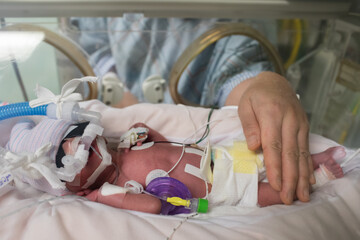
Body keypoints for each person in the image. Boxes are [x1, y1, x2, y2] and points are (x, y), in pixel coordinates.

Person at [69, 17, 312, 205]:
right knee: (249, 191)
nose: (84, 149)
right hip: (203, 185)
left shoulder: (217, 29)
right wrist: (117, 89)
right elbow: (93, 45)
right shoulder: (114, 184)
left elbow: (235, 69)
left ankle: (317, 172)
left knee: (262, 174)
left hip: (211, 147)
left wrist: (263, 84)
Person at [5, 112, 344, 214]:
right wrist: (99, 197)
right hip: (221, 188)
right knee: (269, 191)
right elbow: (153, 206)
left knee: (267, 156)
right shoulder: (110, 188)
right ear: (69, 185)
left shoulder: (123, 147)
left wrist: (143, 131)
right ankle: (315, 180)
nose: (84, 147)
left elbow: (161, 141)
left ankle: (314, 158)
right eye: (71, 155)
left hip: (220, 156)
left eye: (80, 137)